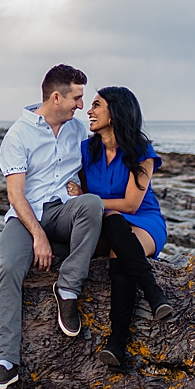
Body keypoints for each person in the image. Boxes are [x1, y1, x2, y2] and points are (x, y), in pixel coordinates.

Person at [0, 64, 104, 389]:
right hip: (26, 217)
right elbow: (15, 195)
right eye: (77, 98)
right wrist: (38, 236)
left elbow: (109, 149)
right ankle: (5, 362)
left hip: (63, 212)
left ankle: (67, 289)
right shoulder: (18, 135)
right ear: (55, 97)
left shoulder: (77, 130)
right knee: (9, 269)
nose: (81, 105)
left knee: (93, 204)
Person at [73, 85, 172, 368]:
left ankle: (117, 344)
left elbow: (130, 204)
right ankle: (154, 293)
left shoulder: (141, 151)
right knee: (112, 222)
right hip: (106, 222)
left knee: (118, 235)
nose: (89, 111)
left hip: (144, 220)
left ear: (115, 112)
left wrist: (89, 200)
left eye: (96, 105)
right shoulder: (85, 151)